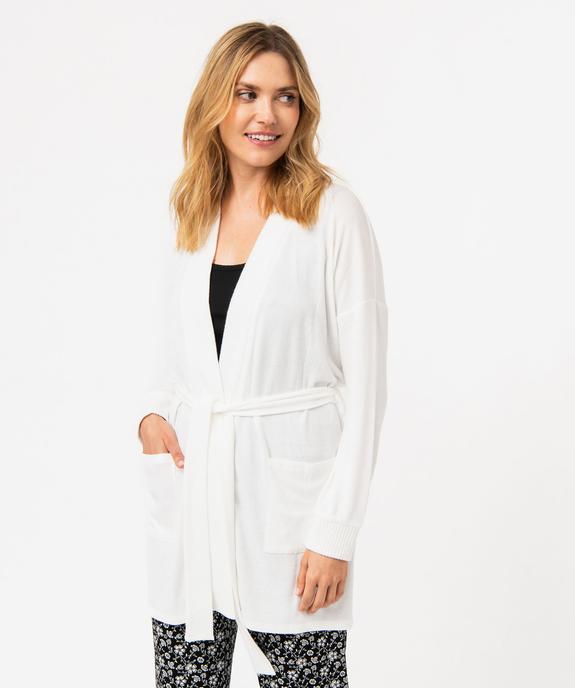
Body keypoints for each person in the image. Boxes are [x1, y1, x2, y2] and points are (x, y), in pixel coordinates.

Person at [136, 21, 388, 687]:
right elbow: (171, 352)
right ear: (215, 101)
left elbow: (368, 392)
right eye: (247, 93)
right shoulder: (189, 212)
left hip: (292, 522)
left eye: (285, 97)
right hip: (193, 507)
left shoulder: (332, 214)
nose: (266, 115)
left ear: (303, 110)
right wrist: (152, 417)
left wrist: (334, 530)